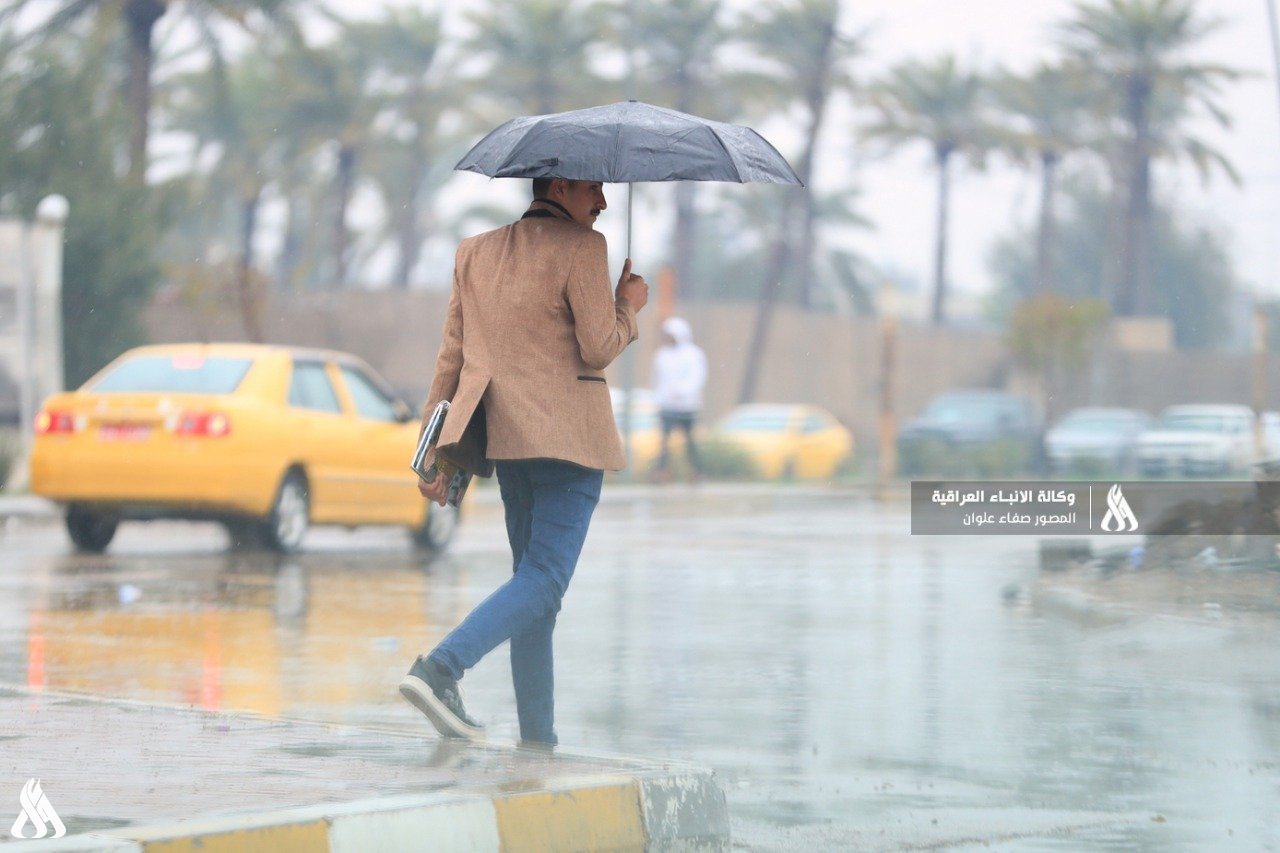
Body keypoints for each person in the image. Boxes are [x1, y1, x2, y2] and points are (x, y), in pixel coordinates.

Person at [399, 176, 648, 747]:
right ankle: (441, 670)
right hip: (571, 441)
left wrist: (431, 452)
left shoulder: (475, 252)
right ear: (559, 185)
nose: (603, 201)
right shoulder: (586, 247)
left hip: (508, 442)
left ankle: (539, 739)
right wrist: (627, 306)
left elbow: (451, 358)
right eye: (593, 188)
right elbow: (598, 346)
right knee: (544, 580)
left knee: (534, 588)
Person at [651, 316, 707, 482]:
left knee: (689, 442)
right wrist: (660, 397)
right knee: (664, 443)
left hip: (687, 406)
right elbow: (657, 379)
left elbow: (697, 377)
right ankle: (661, 472)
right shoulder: (661, 355)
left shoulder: (693, 354)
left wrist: (681, 392)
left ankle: (695, 472)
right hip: (667, 405)